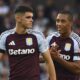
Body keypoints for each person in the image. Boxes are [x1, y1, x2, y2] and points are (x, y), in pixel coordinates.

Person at [0, 5, 56, 80]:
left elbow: (48, 61)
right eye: (28, 17)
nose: (31, 20)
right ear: (18, 18)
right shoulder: (5, 37)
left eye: (32, 17)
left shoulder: (37, 36)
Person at [47, 10, 80, 80]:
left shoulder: (77, 41)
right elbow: (38, 58)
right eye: (57, 21)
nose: (59, 24)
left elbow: (78, 69)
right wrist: (48, 55)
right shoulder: (50, 38)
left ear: (71, 23)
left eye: (63, 21)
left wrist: (58, 58)